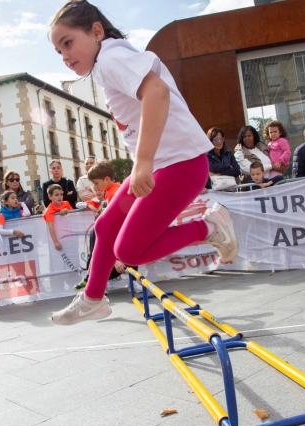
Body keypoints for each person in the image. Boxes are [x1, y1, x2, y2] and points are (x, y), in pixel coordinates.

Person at [49, 0, 237, 325]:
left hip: (178, 165)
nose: (65, 56)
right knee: (106, 226)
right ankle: (93, 298)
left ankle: (209, 227)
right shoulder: (109, 57)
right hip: (169, 164)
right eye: (58, 51)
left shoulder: (109, 59)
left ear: (96, 31)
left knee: (130, 252)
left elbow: (157, 92)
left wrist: (143, 162)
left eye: (68, 43)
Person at [74, 160, 128, 291]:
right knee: (95, 249)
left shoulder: (114, 192)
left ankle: (93, 280)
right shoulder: (110, 191)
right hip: (114, 229)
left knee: (99, 252)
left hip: (119, 231)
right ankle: (91, 277)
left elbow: (117, 217)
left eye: (96, 183)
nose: (95, 187)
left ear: (107, 179)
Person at [43, 184, 73, 251]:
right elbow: (50, 226)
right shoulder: (49, 210)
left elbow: (74, 216)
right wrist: (55, 241)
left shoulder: (66, 203)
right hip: (60, 238)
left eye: (61, 194)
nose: (59, 197)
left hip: (72, 236)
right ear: (50, 196)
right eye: (56, 195)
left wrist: (67, 210)